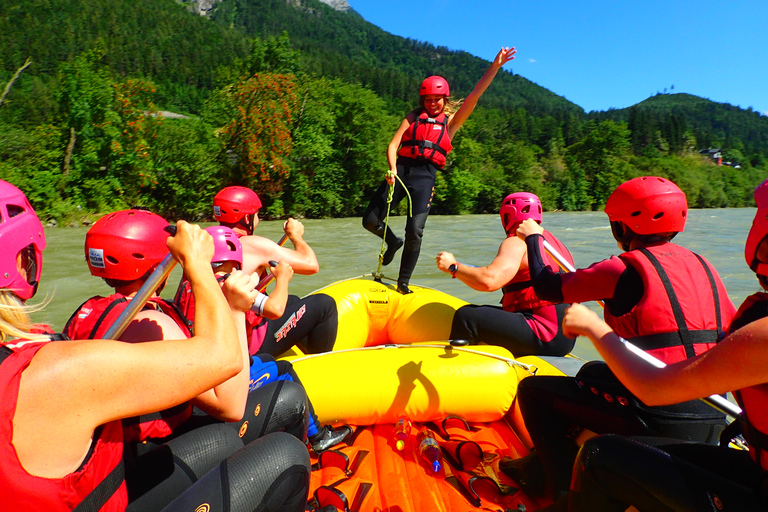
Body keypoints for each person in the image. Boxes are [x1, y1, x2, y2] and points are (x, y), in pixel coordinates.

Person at [0, 180, 310, 511]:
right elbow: (230, 401)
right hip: (140, 460)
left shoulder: (83, 312)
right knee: (285, 447)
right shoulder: (56, 364)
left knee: (222, 440)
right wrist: (209, 278)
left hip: (124, 465)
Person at [508, 176, 736, 500]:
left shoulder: (621, 269)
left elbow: (546, 287)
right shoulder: (705, 267)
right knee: (592, 373)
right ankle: (535, 468)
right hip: (712, 413)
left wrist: (533, 238)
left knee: (532, 391)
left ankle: (559, 494)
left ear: (621, 228)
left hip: (656, 412)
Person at [549, 177, 768, 512]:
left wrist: (594, 328)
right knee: (594, 369)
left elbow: (654, 388)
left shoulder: (761, 331)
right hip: (716, 424)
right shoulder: (703, 265)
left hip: (660, 403)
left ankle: (549, 488)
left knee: (599, 454)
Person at [176, 225, 352, 453]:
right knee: (284, 369)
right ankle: (317, 437)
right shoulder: (233, 285)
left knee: (266, 358)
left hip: (203, 366)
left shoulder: (188, 286)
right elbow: (275, 309)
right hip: (225, 375)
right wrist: (283, 279)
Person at [362, 46, 517, 294]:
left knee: (415, 231)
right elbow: (393, 145)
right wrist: (392, 169)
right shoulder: (413, 117)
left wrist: (495, 66)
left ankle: (403, 284)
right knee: (369, 221)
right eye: (428, 99)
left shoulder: (451, 124)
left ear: (445, 100)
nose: (433, 103)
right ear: (423, 101)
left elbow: (475, 95)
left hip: (425, 178)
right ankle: (392, 242)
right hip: (400, 171)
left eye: (437, 99)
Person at [435, 192, 576, 357]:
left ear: (508, 217)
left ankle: (456, 371)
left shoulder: (517, 241)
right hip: (566, 336)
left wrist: (453, 267)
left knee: (467, 316)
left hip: (545, 333)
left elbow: (489, 281)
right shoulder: (554, 243)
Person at [213, 185, 338, 356]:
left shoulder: (210, 241)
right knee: (325, 305)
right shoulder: (251, 244)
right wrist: (295, 236)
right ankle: (319, 365)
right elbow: (311, 265)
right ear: (246, 218)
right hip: (249, 342)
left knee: (292, 300)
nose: (258, 219)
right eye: (256, 214)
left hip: (222, 332)